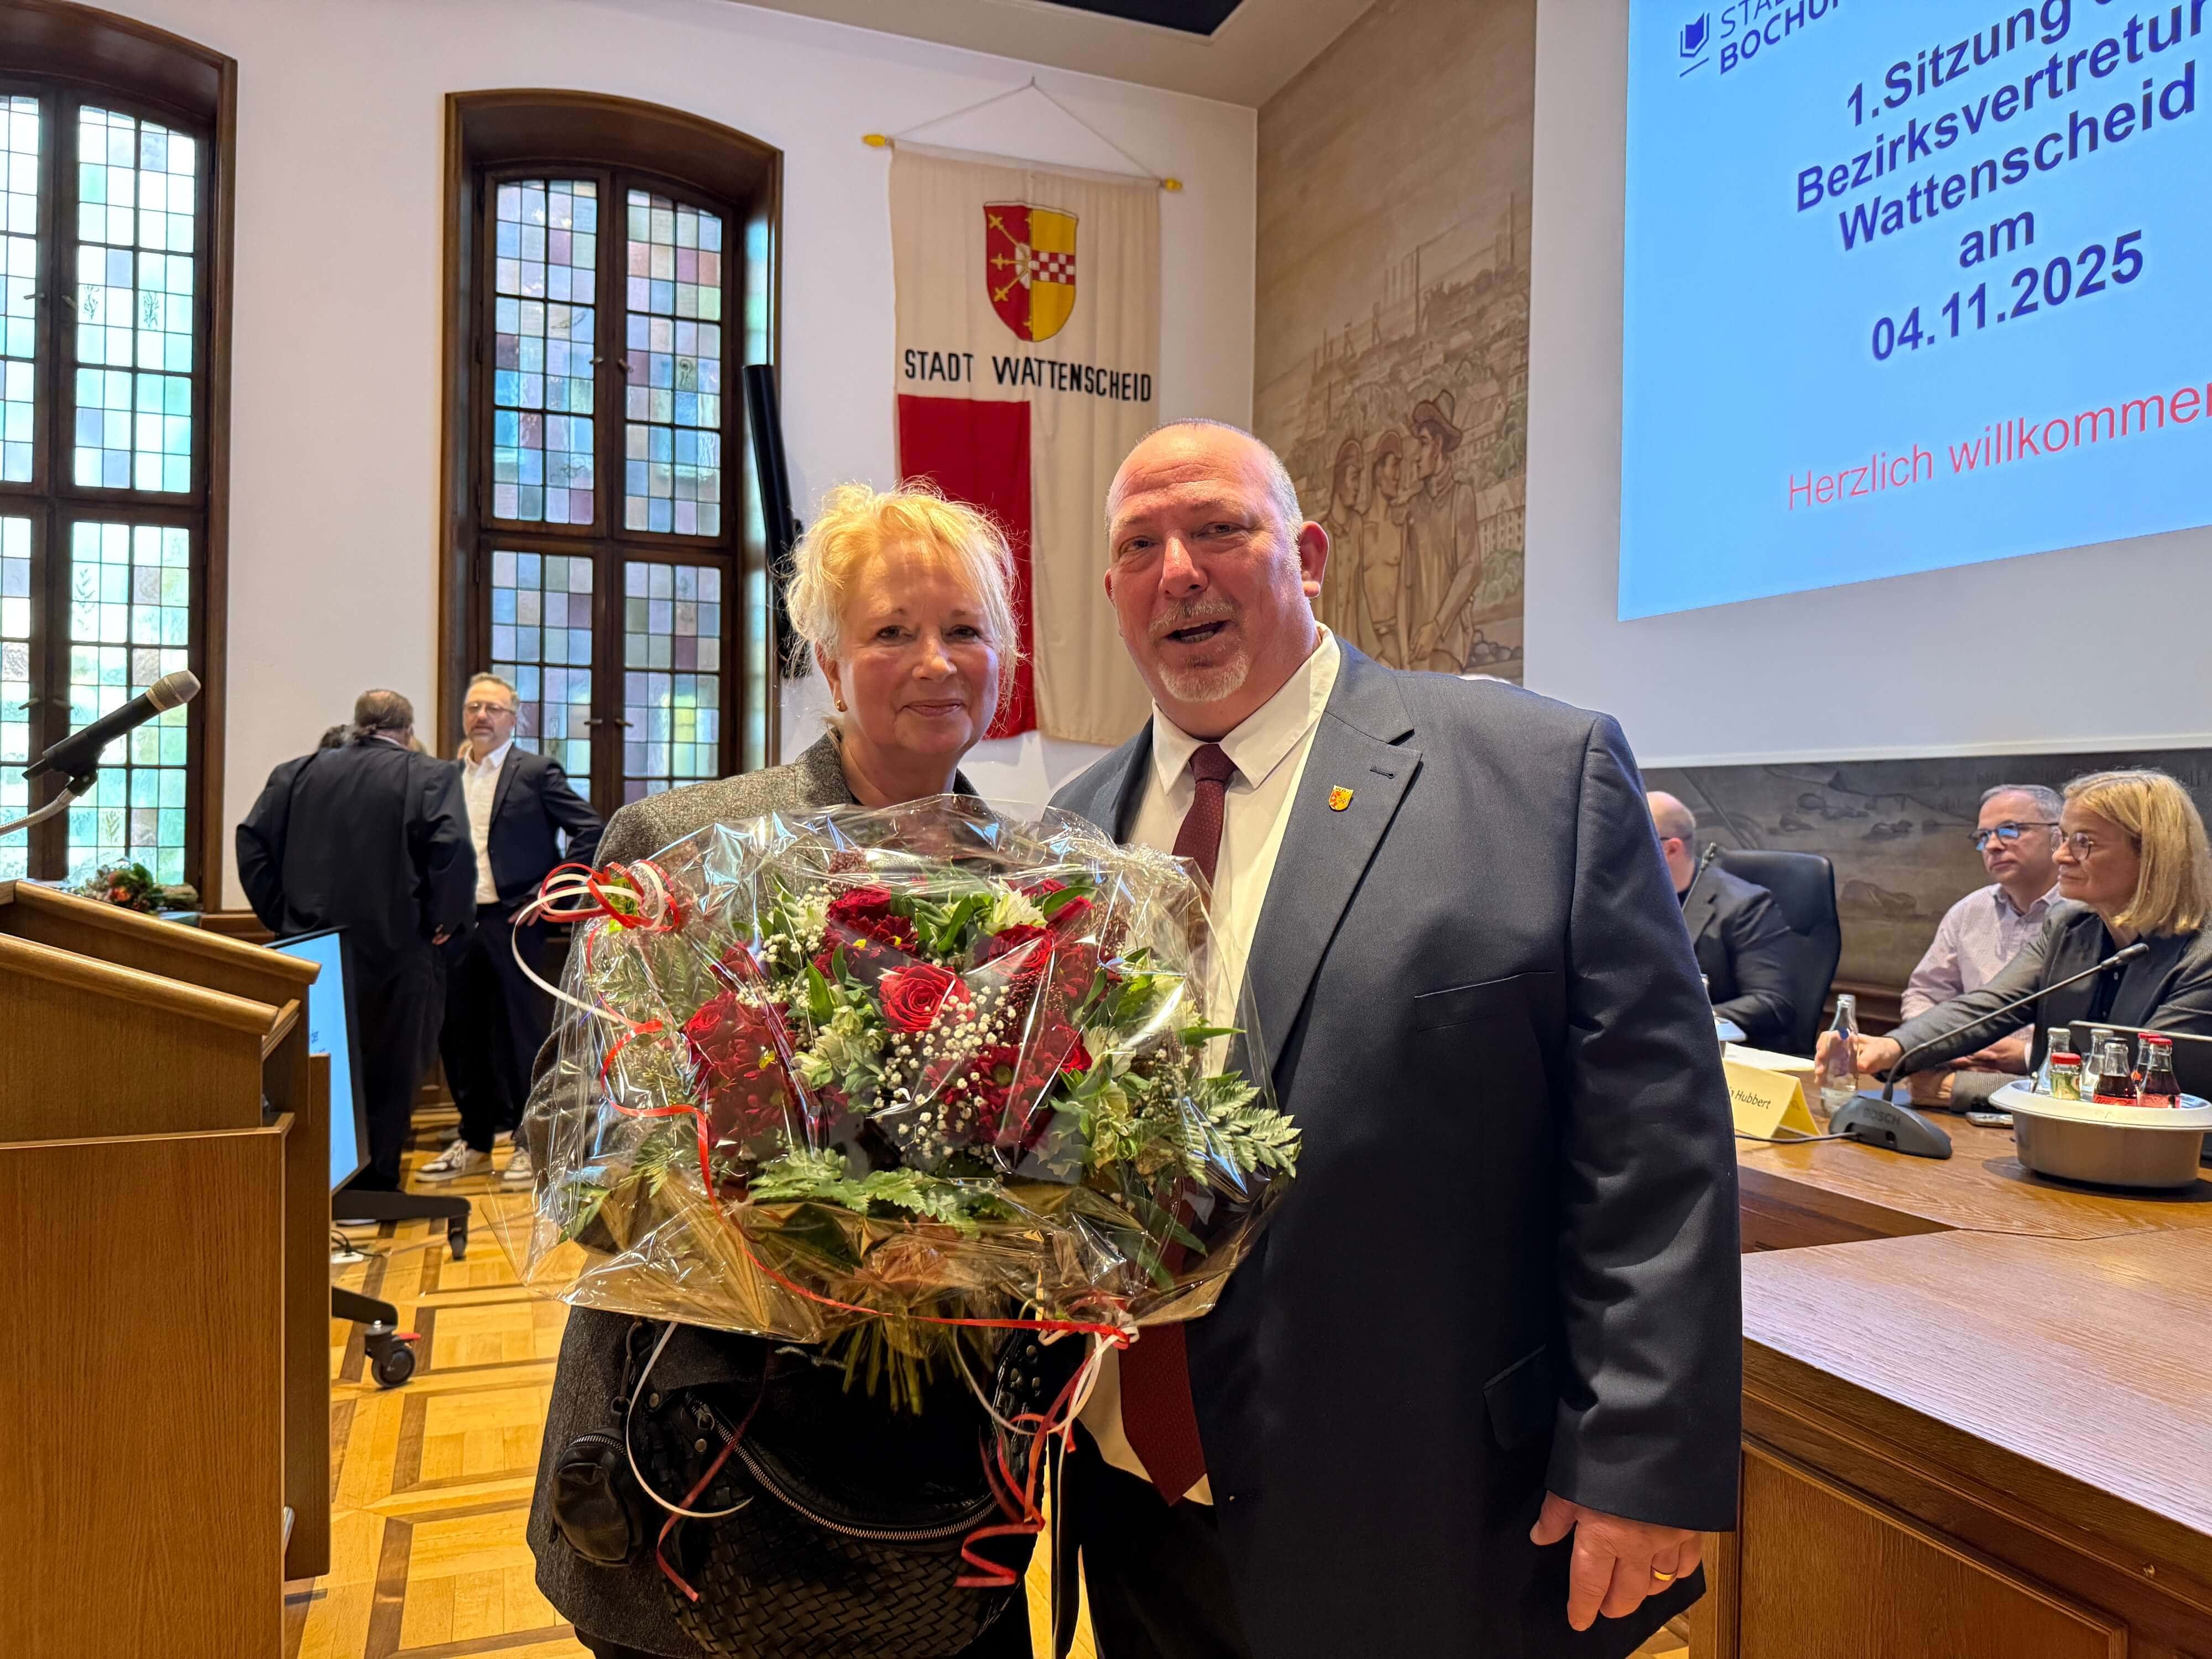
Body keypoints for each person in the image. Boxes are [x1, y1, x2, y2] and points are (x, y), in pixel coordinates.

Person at [1048, 421, 1740, 1659]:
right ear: (1111, 592)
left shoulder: (1535, 774)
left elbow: (1651, 1142)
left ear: (1305, 555)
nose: (1178, 571)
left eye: (1218, 529)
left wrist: (1639, 1452)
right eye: (1139, 545)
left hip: (1426, 1515)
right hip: (1128, 1500)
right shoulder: (1070, 829)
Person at [525, 484, 1035, 1659]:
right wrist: (803, 1247)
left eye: (964, 629)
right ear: (824, 656)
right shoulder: (686, 849)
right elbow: (565, 1136)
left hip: (938, 1498)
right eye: (891, 632)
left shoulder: (1039, 888)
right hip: (701, 1476)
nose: (935, 662)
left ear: (1004, 655)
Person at [1821, 769, 2212, 1112]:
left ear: (2153, 855)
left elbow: (2134, 1086)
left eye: (2083, 842)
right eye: (2062, 838)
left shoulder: (2202, 955)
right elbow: (1991, 1005)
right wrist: (1893, 1048)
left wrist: (1970, 1088)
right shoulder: (2071, 925)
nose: (2061, 856)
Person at [237, 690, 474, 1190]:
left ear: (358, 724)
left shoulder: (295, 774)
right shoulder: (429, 775)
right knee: (394, 1064)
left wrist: (281, 915)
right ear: (407, 731)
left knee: (318, 1065)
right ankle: (377, 1181)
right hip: (401, 949)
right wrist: (446, 920)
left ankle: (315, 1182)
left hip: (309, 947)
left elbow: (253, 844)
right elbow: (450, 848)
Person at [419, 673, 603, 1188]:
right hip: (456, 926)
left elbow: (590, 828)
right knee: (460, 1037)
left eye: (494, 709)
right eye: (474, 707)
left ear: (513, 717)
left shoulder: (536, 771)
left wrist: (550, 896)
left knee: (523, 1039)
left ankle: (530, 1144)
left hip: (515, 922)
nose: (482, 716)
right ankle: (476, 1140)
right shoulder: (444, 776)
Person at [1896, 784, 2064, 1067]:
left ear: (2057, 837)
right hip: (1967, 1069)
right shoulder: (1969, 911)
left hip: (2053, 1082)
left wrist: (2028, 1055)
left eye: (2010, 830)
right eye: (1983, 836)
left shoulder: (2086, 916)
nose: (1993, 845)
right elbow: (1926, 993)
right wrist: (1937, 1044)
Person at [1647, 791, 1798, 1051]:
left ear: (1671, 849)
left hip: (1722, 1059)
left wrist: (1682, 1022)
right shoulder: (1625, 900)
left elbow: (1772, 1002)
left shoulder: (1745, 905)